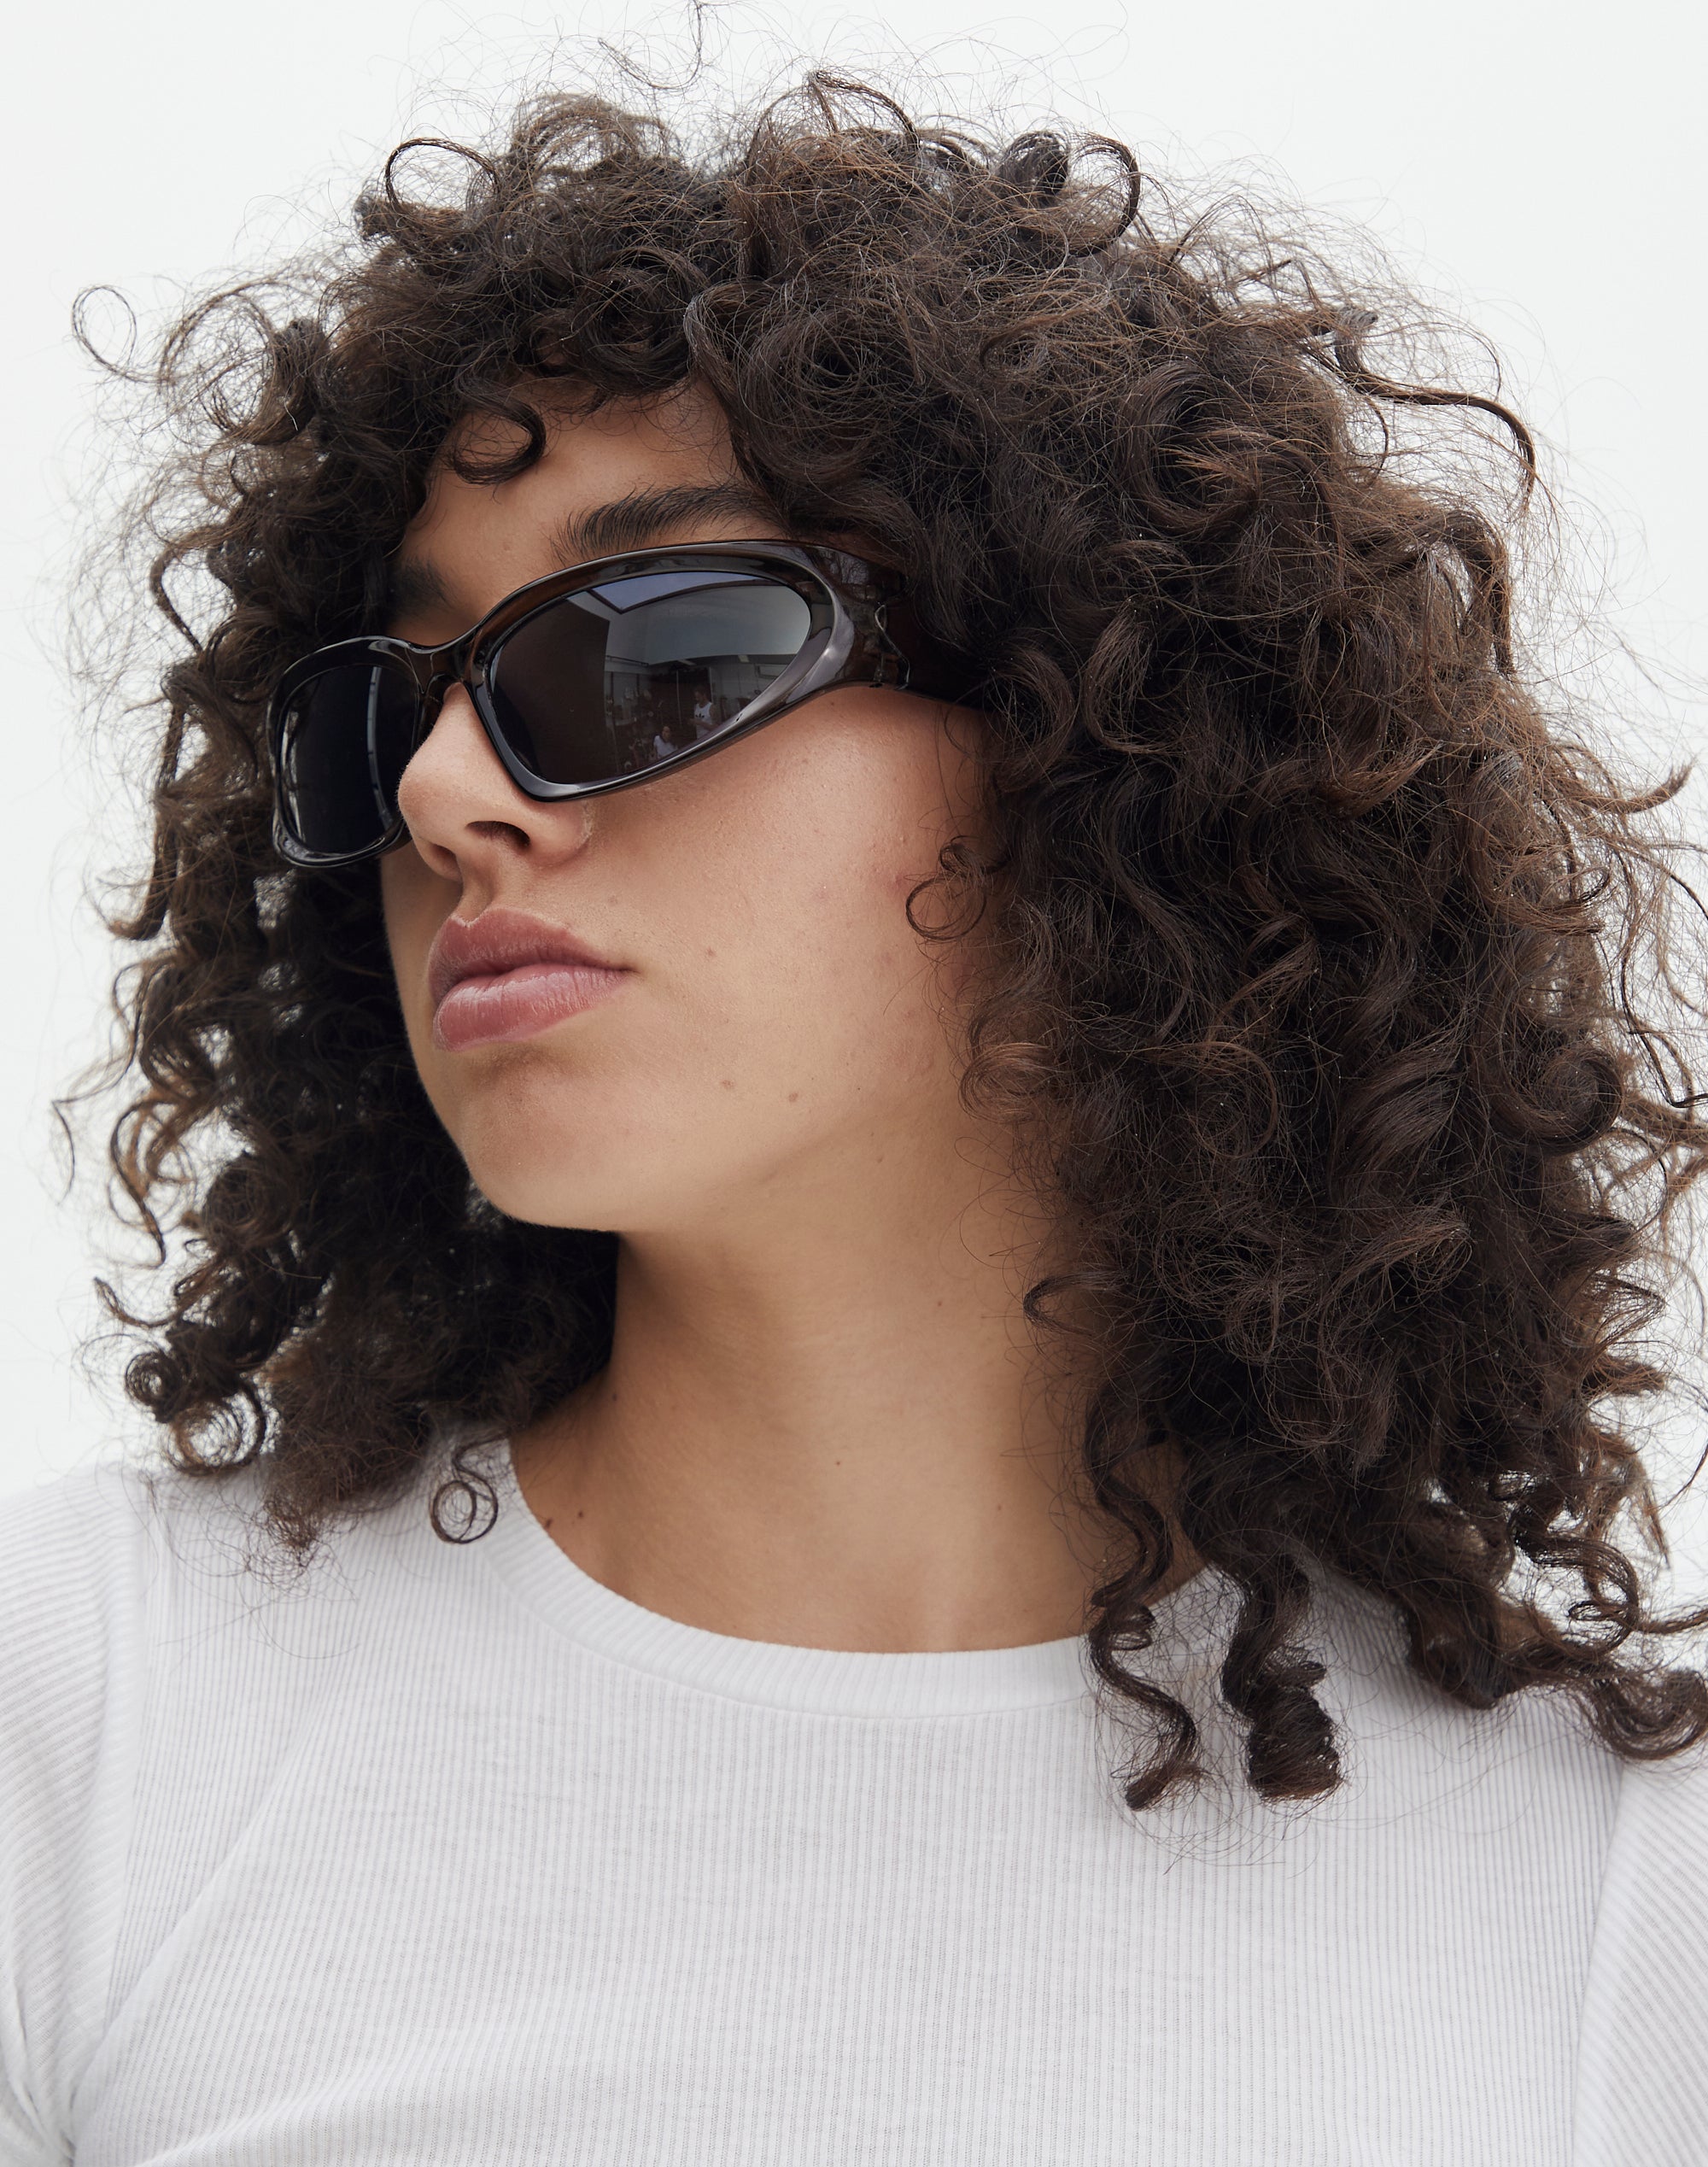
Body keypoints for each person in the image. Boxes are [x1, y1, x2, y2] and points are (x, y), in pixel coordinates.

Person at [3, 75, 1705, 2165]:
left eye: (656, 651)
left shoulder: (1621, 1900)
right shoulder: (86, 1715)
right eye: (388, 713)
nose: (446, 795)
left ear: (1106, 749)